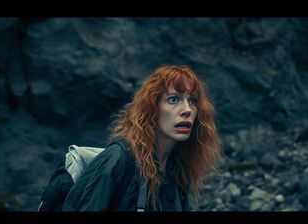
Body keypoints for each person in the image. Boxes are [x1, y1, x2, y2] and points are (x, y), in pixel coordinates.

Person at [62, 65, 222, 211]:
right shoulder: (118, 159)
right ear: (152, 108)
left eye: (192, 101)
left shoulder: (177, 170)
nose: (187, 110)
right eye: (173, 99)